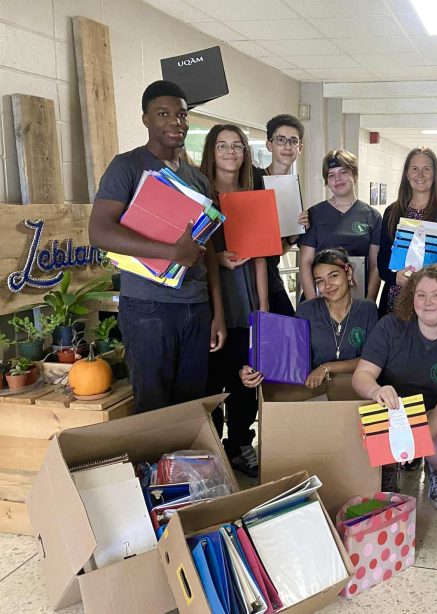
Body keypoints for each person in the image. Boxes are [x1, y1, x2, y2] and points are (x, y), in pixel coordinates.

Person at [89, 80, 225, 413]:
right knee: (152, 404)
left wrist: (218, 313)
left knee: (192, 405)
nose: (175, 122)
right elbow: (99, 231)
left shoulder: (198, 180)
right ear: (146, 119)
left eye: (181, 114)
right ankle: (150, 467)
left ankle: (182, 468)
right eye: (163, 114)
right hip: (149, 307)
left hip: (197, 307)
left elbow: (209, 255)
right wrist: (171, 252)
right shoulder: (128, 167)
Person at [352, 263, 437, 502]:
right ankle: (389, 468)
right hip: (390, 414)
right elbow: (361, 375)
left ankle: (436, 470)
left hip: (433, 416)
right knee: (363, 440)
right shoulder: (390, 326)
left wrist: (417, 441)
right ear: (411, 298)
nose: (427, 301)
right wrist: (376, 389)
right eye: (421, 295)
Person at [199, 124, 266, 477]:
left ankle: (240, 444)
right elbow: (196, 247)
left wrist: (263, 310)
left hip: (246, 298)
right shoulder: (201, 195)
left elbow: (259, 258)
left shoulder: (251, 194)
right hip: (210, 299)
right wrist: (218, 257)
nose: (230, 151)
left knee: (247, 378)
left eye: (237, 145)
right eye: (222, 145)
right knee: (212, 379)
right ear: (211, 151)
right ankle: (210, 450)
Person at [241, 248, 378, 393]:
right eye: (320, 281)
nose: (328, 285)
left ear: (348, 272)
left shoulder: (367, 309)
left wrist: (326, 368)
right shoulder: (307, 310)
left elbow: (371, 360)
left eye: (333, 276)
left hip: (355, 390)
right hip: (314, 392)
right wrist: (252, 370)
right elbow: (289, 355)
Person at [377, 147, 437, 318]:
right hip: (396, 299)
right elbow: (382, 261)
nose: (420, 175)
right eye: (414, 169)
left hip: (436, 299)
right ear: (406, 174)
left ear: (435, 175)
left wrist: (432, 278)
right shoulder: (393, 212)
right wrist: (393, 277)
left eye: (426, 169)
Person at [299, 150, 382, 302]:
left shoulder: (372, 216)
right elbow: (305, 262)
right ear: (327, 181)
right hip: (320, 297)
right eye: (331, 175)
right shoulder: (314, 214)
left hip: (357, 297)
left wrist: (369, 303)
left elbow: (375, 265)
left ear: (354, 175)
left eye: (343, 172)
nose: (338, 179)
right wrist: (313, 304)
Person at [252, 114, 309, 316]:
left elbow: (281, 249)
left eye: (293, 141)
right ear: (269, 145)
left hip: (270, 275)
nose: (287, 146)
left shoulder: (293, 189)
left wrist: (295, 233)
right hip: (245, 276)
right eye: (280, 140)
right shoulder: (252, 179)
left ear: (299, 148)